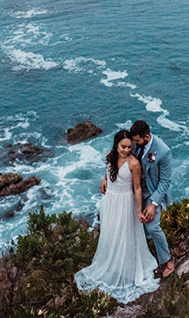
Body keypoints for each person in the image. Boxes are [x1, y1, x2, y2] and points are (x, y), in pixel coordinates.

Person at [75, 130, 159, 302]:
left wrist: (138, 210)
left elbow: (137, 188)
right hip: (110, 201)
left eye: (129, 147)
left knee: (124, 237)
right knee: (110, 235)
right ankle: (111, 266)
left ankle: (126, 271)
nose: (126, 150)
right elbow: (109, 171)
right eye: (123, 147)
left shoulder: (134, 164)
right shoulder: (109, 156)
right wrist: (104, 179)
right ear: (116, 145)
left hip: (125, 204)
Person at [101, 119, 176, 277]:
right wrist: (106, 178)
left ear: (146, 137)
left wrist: (154, 205)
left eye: (135, 142)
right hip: (131, 189)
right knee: (129, 224)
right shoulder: (133, 142)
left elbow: (164, 182)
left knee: (152, 227)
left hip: (151, 191)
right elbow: (116, 156)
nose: (132, 146)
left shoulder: (163, 151)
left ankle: (168, 260)